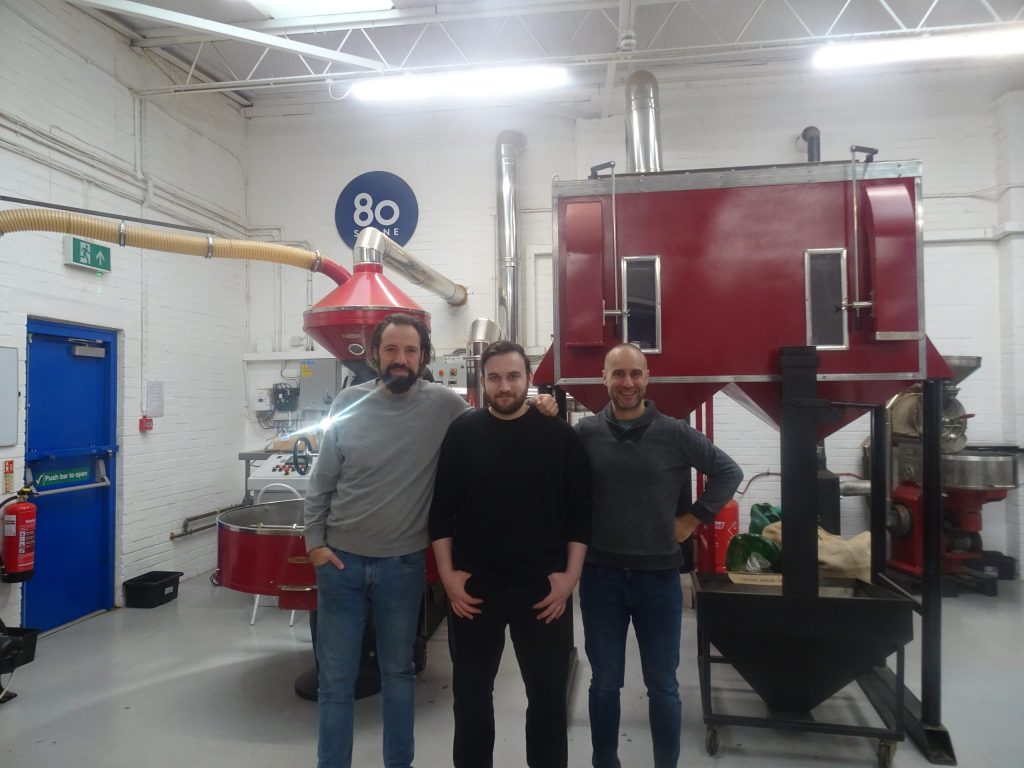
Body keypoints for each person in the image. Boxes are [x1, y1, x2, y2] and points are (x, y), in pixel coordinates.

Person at [303, 314, 556, 768]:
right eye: (392, 350)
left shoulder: (445, 406)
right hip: (339, 563)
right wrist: (315, 545)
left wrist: (541, 406)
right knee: (336, 682)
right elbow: (322, 481)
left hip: (401, 565)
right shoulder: (348, 402)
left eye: (410, 351)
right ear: (376, 354)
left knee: (398, 674)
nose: (400, 359)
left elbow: (499, 419)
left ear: (424, 357)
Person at [576, 342, 743, 768]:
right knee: (604, 683)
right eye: (618, 374)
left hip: (659, 581)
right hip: (601, 579)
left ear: (647, 378)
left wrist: (693, 518)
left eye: (635, 374)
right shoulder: (587, 433)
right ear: (604, 379)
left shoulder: (673, 432)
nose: (627, 383)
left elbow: (728, 471)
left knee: (663, 686)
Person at [428, 340, 592, 768]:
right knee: (471, 698)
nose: (504, 386)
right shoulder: (463, 433)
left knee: (547, 700)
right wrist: (448, 577)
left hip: (544, 591)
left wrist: (569, 578)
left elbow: (580, 514)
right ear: (482, 381)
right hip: (475, 592)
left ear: (528, 379)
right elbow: (441, 512)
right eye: (496, 377)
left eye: (513, 376)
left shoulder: (559, 436)